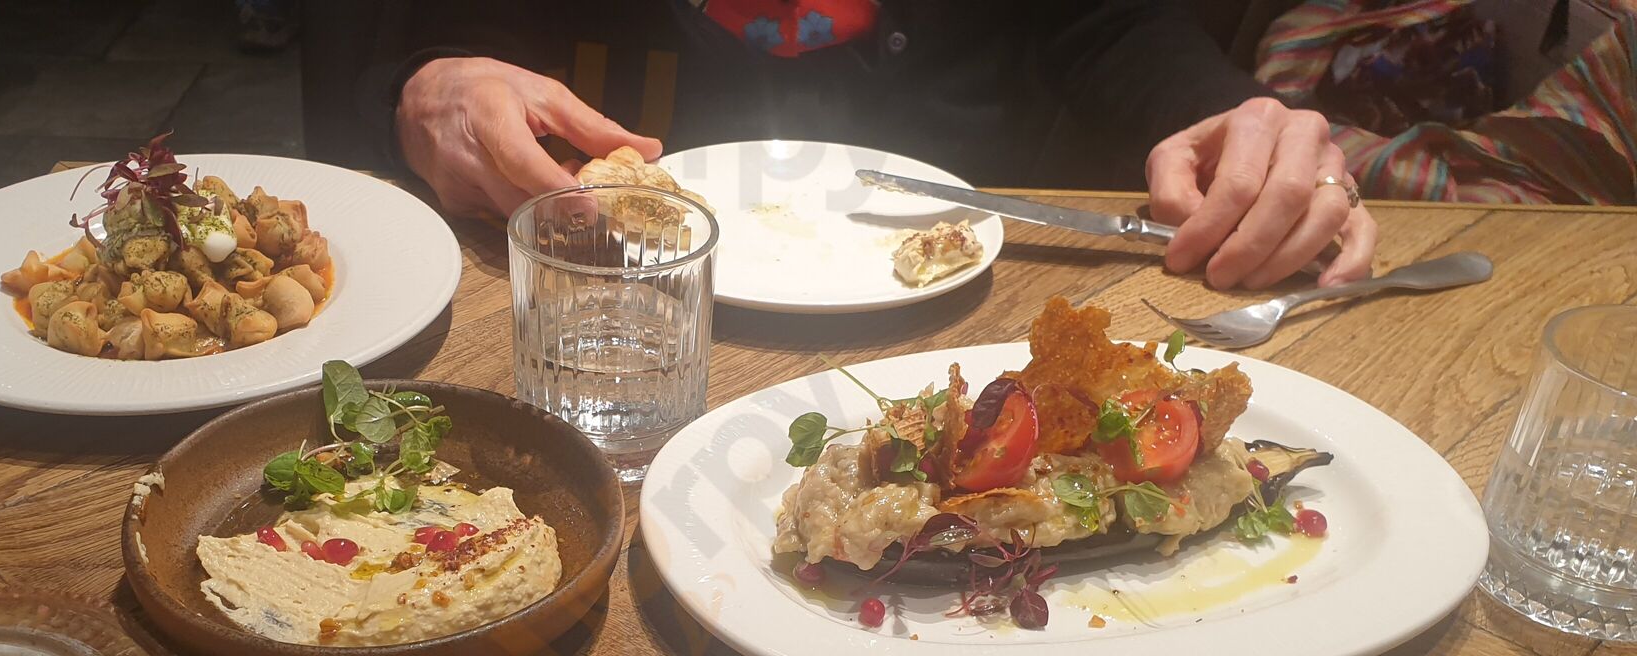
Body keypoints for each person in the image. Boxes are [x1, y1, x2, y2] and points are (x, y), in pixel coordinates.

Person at [362, 1, 1377, 288]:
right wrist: (432, 88)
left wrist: (1233, 122)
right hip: (606, 305)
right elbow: (446, 40)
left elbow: (1108, 24)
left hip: (974, 305)